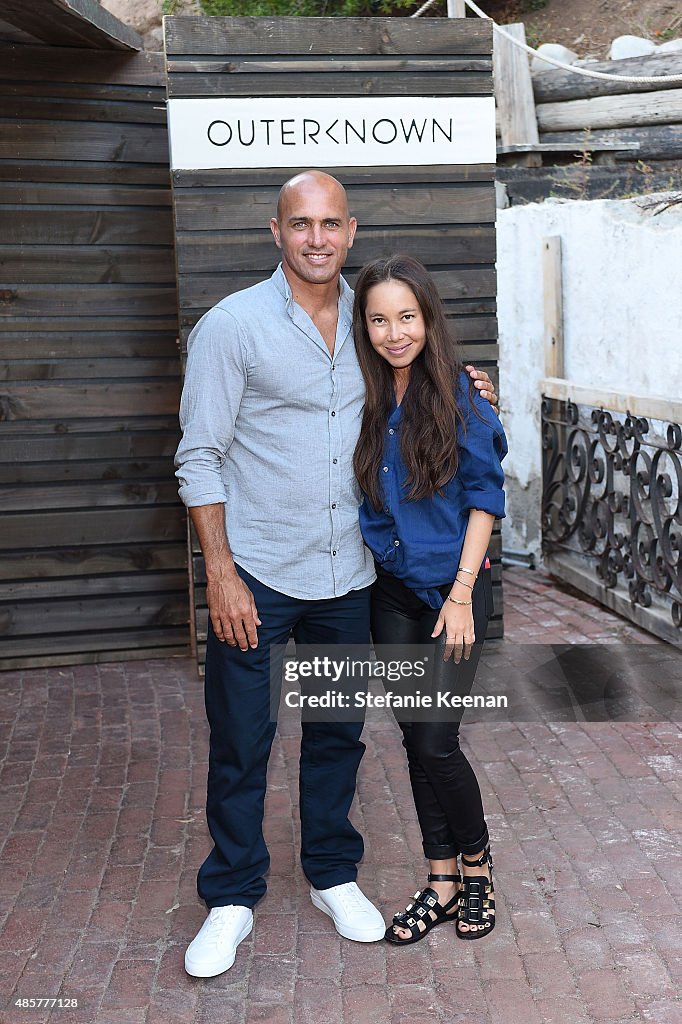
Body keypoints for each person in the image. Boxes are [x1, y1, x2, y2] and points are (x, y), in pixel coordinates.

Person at [174, 170, 499, 976]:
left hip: (351, 578)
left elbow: (430, 384)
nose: (316, 239)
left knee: (336, 737)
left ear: (350, 231)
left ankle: (331, 873)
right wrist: (219, 572)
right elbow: (199, 455)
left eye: (329, 225)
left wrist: (472, 387)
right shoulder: (232, 327)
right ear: (275, 231)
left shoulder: (373, 319)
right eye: (299, 224)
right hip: (260, 574)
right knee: (243, 741)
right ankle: (233, 894)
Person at [352, 254, 507, 944]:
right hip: (391, 594)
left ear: (428, 318)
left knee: (439, 743)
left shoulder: (462, 393)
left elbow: (485, 496)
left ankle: (478, 868)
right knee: (416, 741)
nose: (394, 332)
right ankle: (440, 880)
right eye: (379, 319)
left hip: (454, 592)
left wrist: (465, 592)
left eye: (406, 317)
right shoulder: (360, 393)